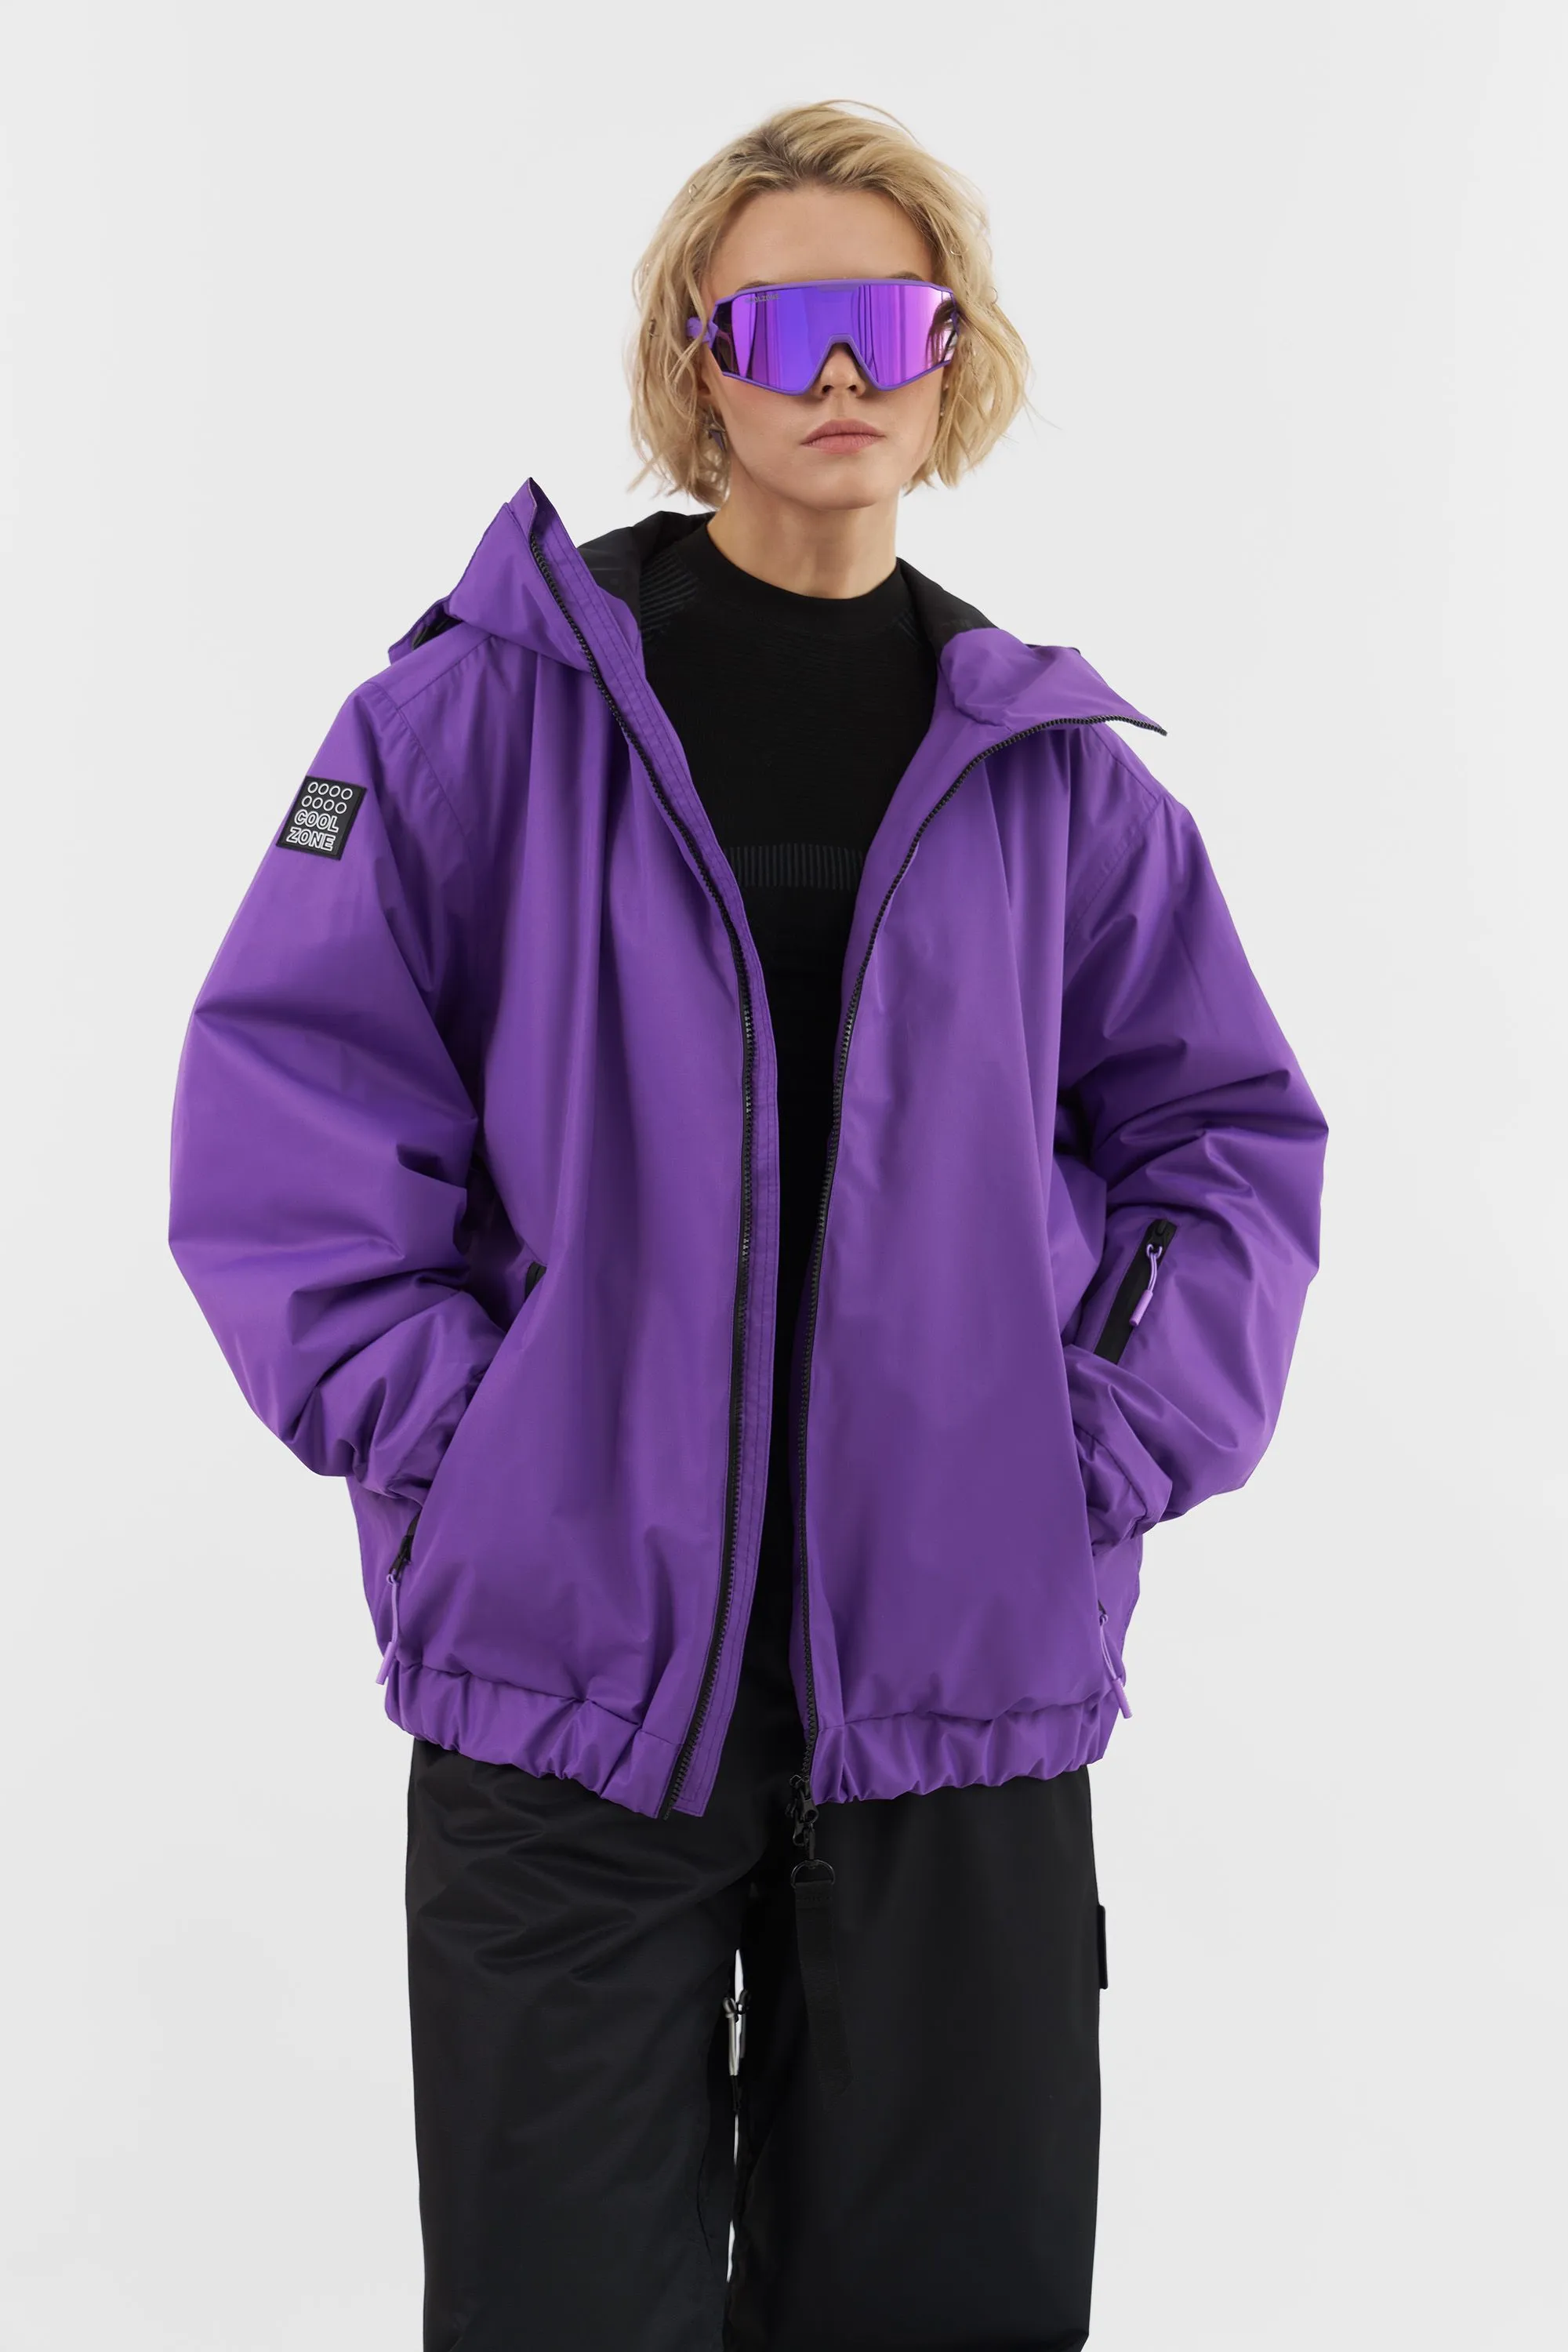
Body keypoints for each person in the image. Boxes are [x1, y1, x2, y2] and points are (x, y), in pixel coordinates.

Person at [168, 96, 1328, 2352]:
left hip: (960, 1694)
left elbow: (1226, 1146)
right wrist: (469, 1447)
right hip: (566, 1690)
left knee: (949, 2309)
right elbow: (289, 1116)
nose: (843, 371)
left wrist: (1086, 1453)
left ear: (957, 356)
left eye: (892, 317)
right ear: (696, 361)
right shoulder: (470, 722)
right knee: (561, 2314)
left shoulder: (1061, 781)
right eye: (783, 324)